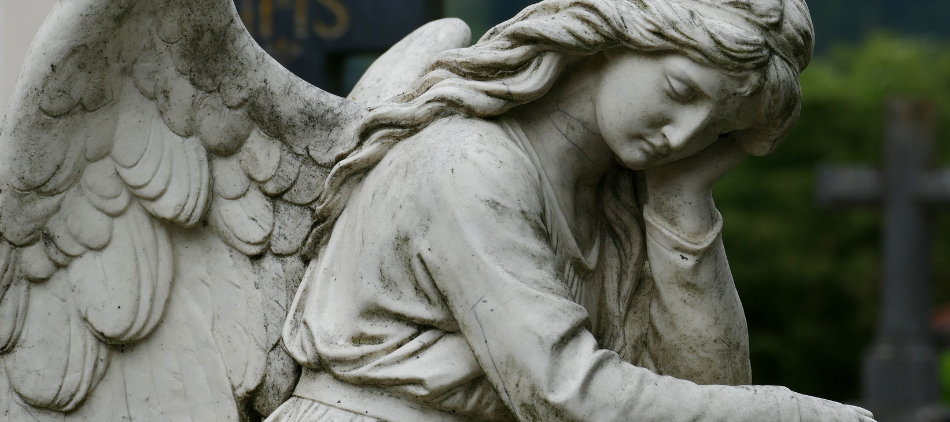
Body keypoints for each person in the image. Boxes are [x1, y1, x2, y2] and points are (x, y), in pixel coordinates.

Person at [269, 0, 875, 420]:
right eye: (682, 91)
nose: (682, 136)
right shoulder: (466, 163)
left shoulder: (615, 200)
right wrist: (784, 413)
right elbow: (563, 394)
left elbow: (710, 392)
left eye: (718, 130)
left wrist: (680, 200)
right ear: (620, 34)